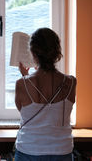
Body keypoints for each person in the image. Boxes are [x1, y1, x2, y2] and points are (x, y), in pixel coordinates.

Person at [14, 28, 77, 161]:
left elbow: (25, 112)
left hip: (29, 149)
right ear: (57, 52)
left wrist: (26, 77)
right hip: (62, 150)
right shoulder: (71, 82)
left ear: (32, 53)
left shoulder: (21, 84)